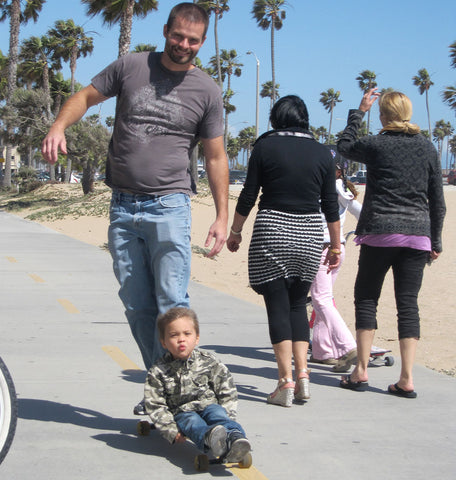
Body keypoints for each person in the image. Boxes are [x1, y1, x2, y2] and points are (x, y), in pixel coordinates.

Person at [41, 3, 229, 411]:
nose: (184, 45)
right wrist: (58, 125)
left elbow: (215, 157)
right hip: (123, 208)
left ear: (202, 42)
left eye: (193, 40)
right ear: (165, 30)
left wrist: (222, 214)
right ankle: (163, 386)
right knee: (138, 306)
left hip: (171, 207)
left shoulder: (207, 91)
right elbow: (86, 97)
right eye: (178, 36)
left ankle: (186, 392)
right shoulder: (131, 67)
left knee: (172, 303)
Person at [226, 95, 341, 407]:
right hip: (309, 234)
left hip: (272, 229)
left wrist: (235, 231)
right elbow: (330, 204)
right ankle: (303, 376)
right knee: (296, 307)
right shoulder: (322, 153)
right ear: (304, 119)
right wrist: (335, 244)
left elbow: (249, 194)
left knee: (277, 305)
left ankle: (284, 382)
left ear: (276, 119)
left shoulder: (264, 146)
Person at [337, 89, 446, 398]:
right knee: (408, 305)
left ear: (383, 116)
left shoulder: (376, 144)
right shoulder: (427, 148)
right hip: (416, 235)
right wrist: (434, 240)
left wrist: (359, 111)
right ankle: (407, 378)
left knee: (367, 298)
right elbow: (437, 202)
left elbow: (344, 146)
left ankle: (360, 372)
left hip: (379, 232)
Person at [144, 307, 251, 462]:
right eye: (174, 335)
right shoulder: (158, 371)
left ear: (197, 338)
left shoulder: (208, 361)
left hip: (209, 405)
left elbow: (226, 388)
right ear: (164, 343)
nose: (181, 339)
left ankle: (236, 439)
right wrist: (171, 430)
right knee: (192, 422)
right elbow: (155, 405)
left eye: (187, 334)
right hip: (182, 412)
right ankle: (210, 439)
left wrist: (229, 414)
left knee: (218, 415)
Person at [309, 151, 362, 372]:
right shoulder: (341, 188)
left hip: (323, 248)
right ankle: (323, 351)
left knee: (320, 299)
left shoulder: (334, 186)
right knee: (324, 299)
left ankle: (348, 346)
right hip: (337, 248)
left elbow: (361, 212)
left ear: (339, 170)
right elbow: (361, 212)